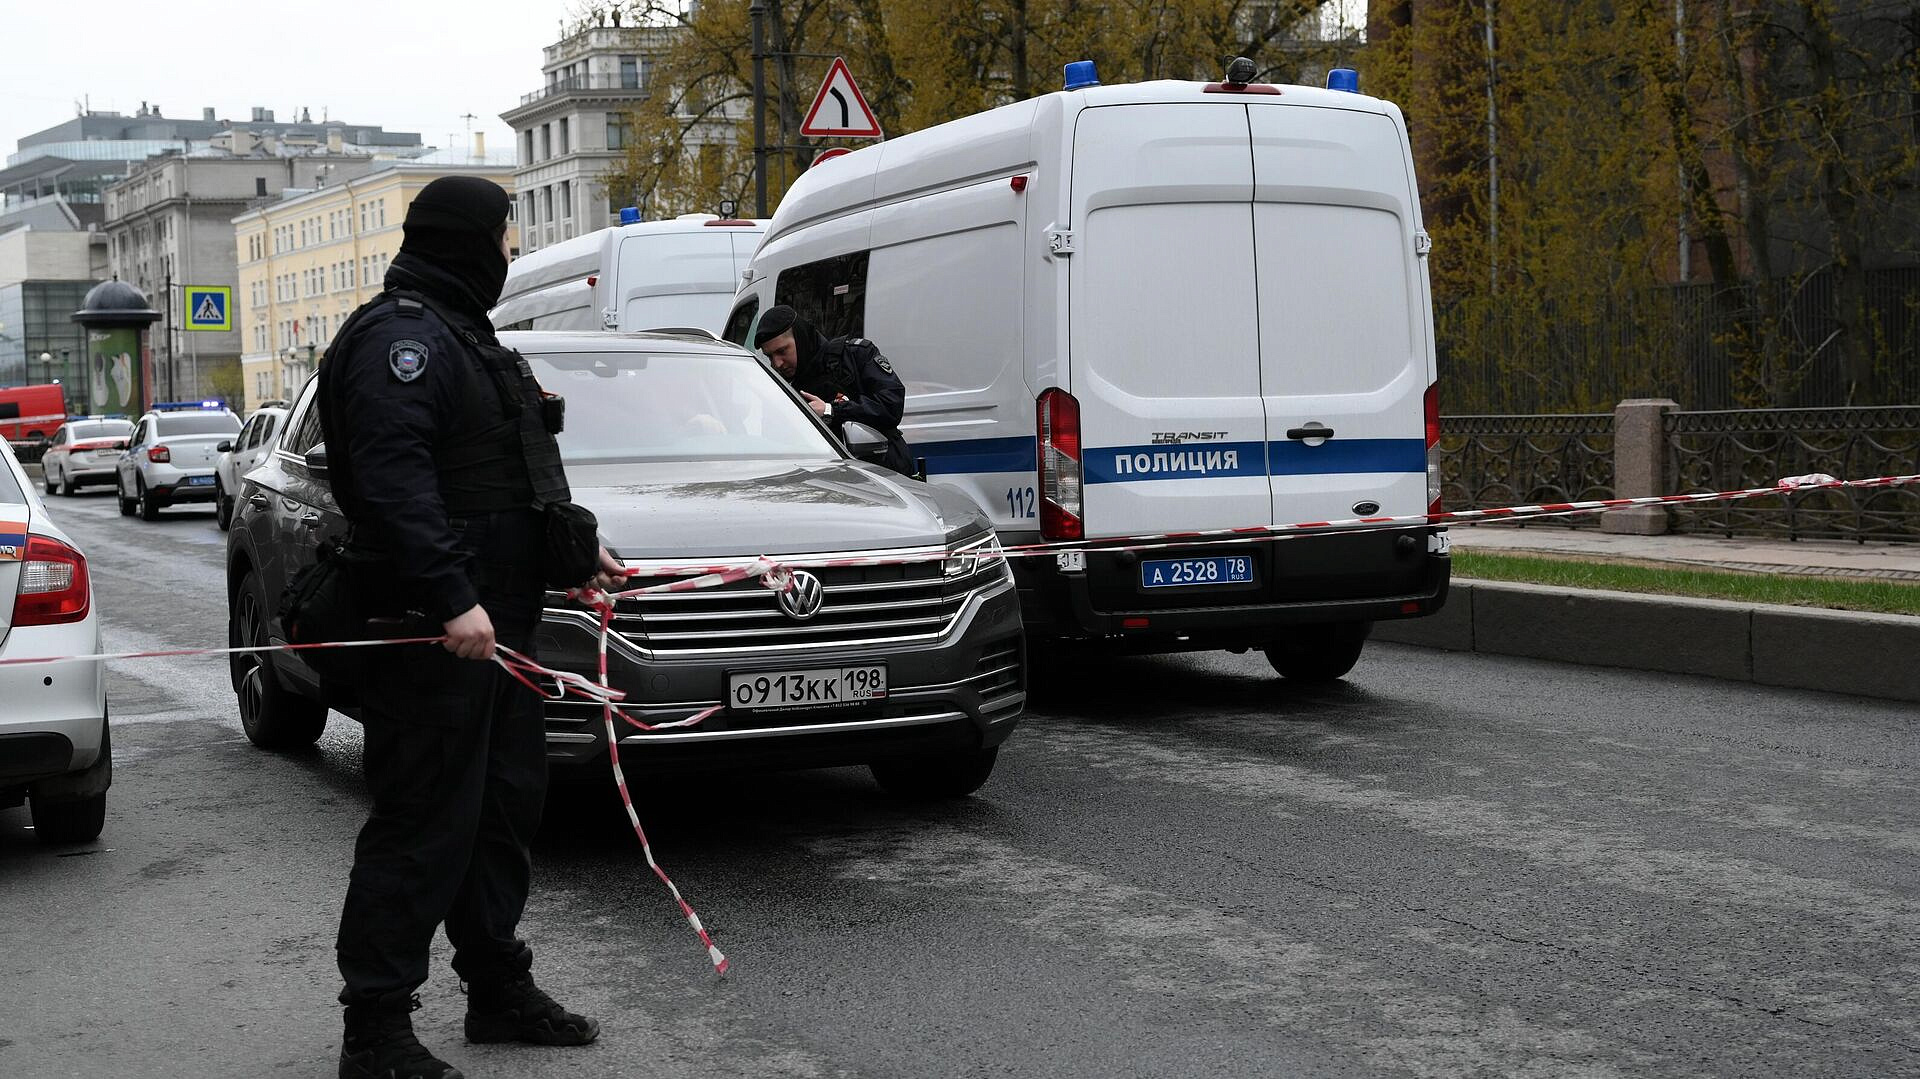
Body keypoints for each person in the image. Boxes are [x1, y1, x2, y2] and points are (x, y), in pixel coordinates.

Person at [317, 176, 625, 1079]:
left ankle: (495, 987)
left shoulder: (466, 337)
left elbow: (506, 471)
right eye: (503, 239)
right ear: (465, 241)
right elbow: (394, 477)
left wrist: (575, 551)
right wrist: (452, 596)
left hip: (502, 631)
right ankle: (374, 1028)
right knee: (423, 823)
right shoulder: (401, 339)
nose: (511, 255)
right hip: (435, 631)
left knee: (499, 813)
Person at [752, 305, 913, 475]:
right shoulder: (781, 390)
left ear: (800, 339)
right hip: (822, 483)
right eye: (770, 356)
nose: (777, 363)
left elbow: (891, 405)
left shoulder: (855, 356)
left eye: (782, 351)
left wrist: (831, 411)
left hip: (884, 476)